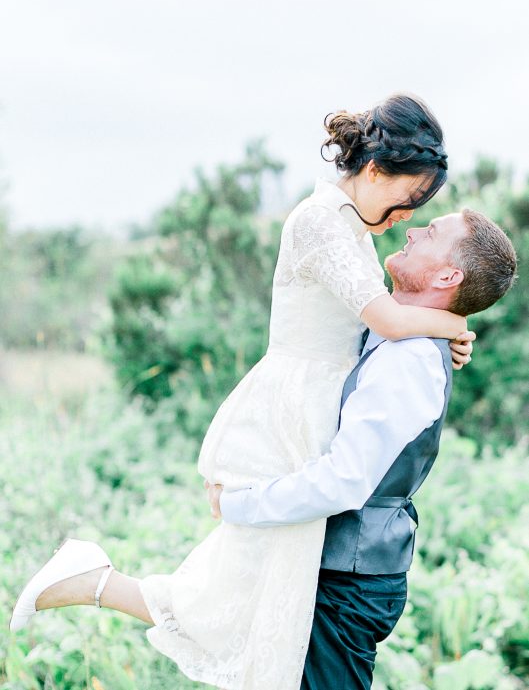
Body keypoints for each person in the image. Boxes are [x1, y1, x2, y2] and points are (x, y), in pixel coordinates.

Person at [10, 94, 474, 690]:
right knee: (251, 601)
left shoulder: (354, 228)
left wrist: (443, 341)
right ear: (377, 171)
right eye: (408, 199)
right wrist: (451, 324)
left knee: (261, 603)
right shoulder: (319, 220)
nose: (406, 216)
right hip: (293, 414)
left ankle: (94, 580)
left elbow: (367, 332)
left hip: (319, 410)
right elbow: (385, 320)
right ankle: (94, 581)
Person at [207, 207, 517, 689]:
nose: (414, 230)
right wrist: (450, 326)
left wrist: (237, 503)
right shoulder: (401, 334)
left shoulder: (410, 359)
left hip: (350, 578)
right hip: (334, 564)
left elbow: (343, 481)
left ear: (448, 273)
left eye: (431, 231)